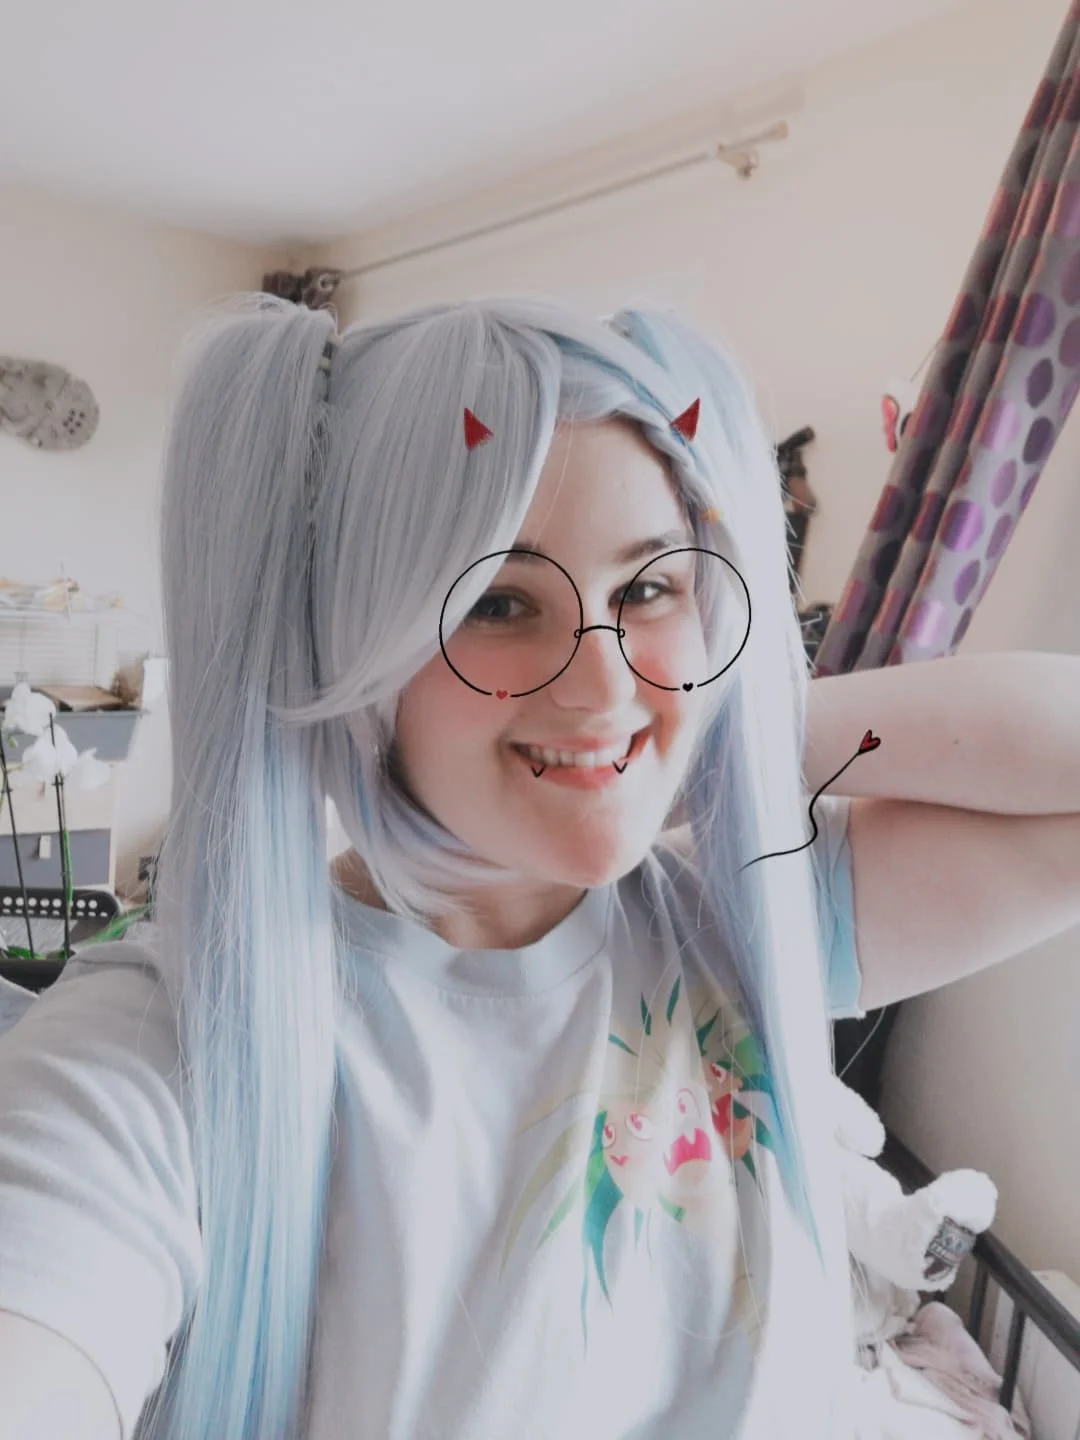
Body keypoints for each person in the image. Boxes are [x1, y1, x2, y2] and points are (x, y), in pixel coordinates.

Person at [1, 294, 1078, 1440]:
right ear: (349, 640)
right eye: (500, 601)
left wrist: (717, 726)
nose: (600, 680)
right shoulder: (166, 1046)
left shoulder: (740, 918)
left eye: (647, 588)